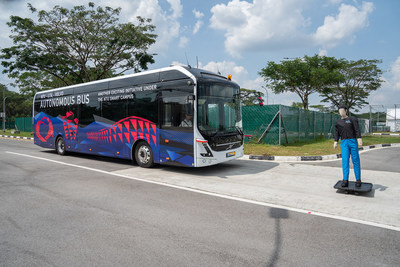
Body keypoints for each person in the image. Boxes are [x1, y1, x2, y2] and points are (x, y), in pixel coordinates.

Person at [334, 104, 362, 187]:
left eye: (342, 110)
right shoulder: (338, 122)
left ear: (346, 111)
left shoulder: (352, 119)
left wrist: (359, 138)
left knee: (355, 160)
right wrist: (336, 141)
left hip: (352, 141)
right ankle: (345, 179)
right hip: (344, 143)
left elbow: (357, 129)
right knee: (345, 161)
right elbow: (337, 133)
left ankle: (358, 179)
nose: (341, 112)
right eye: (339, 111)